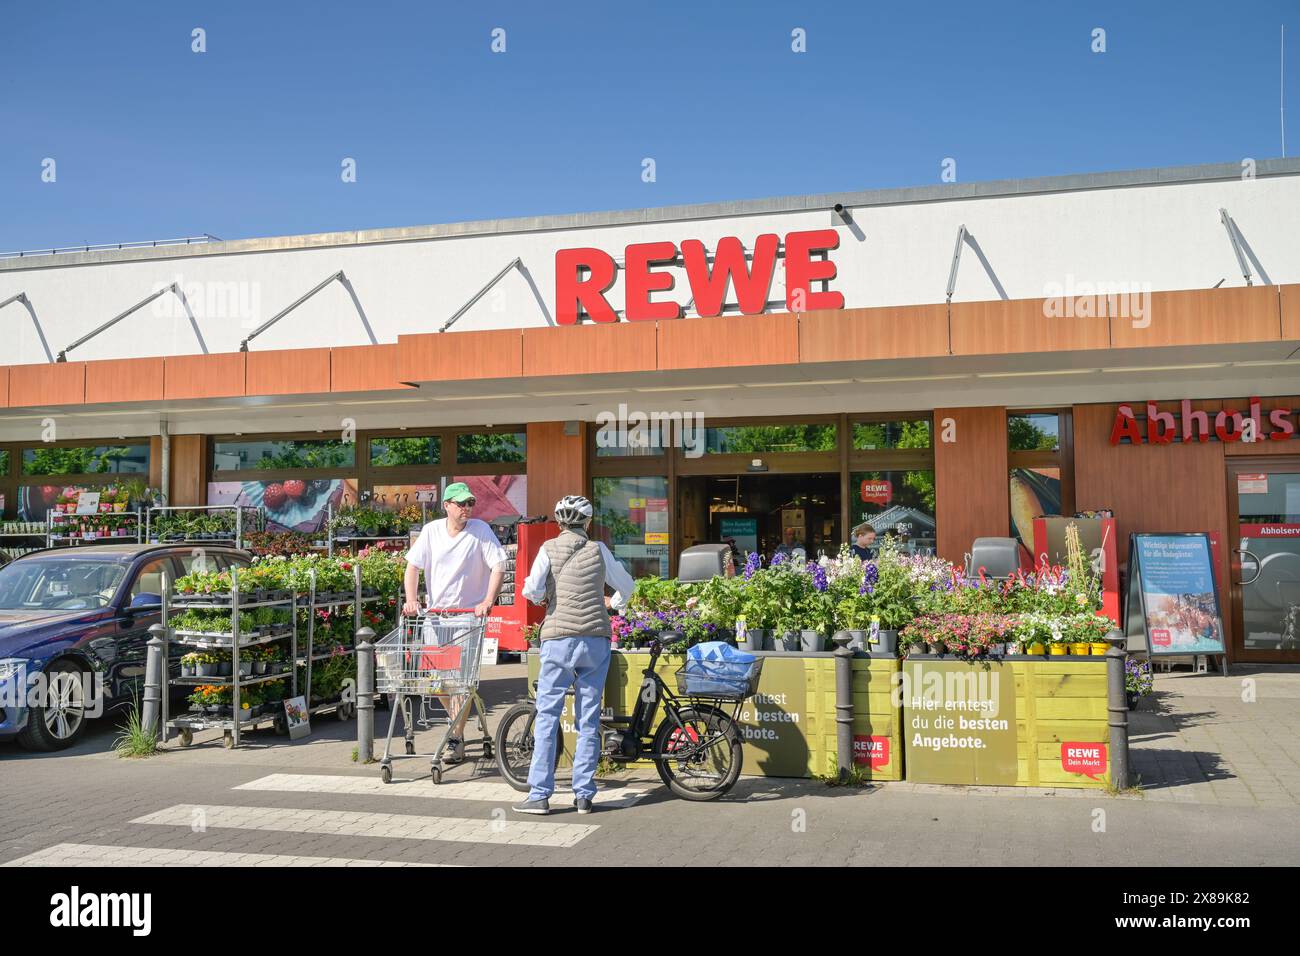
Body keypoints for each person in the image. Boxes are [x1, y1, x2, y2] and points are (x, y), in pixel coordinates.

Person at [513, 495, 635, 815]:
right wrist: (616, 604)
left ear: (560, 523)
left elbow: (531, 590)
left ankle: (540, 795)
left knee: (548, 716)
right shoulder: (599, 550)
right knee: (588, 718)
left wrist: (546, 598)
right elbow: (628, 586)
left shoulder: (548, 549)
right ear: (588, 523)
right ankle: (584, 794)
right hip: (595, 640)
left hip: (558, 640)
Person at [402, 481, 507, 764]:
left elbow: (499, 565)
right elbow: (412, 566)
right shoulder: (431, 531)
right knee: (438, 684)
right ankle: (456, 725)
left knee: (460, 683)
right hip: (435, 618)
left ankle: (456, 738)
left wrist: (487, 601)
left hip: (467, 620)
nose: (466, 509)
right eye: (461, 504)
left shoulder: (481, 531)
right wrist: (412, 599)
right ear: (446, 505)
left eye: (470, 503)